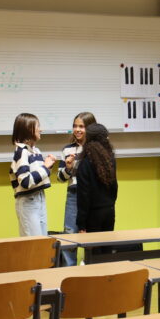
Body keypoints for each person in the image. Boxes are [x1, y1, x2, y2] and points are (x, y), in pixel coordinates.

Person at [76, 124, 125, 253]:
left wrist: (81, 224)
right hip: (109, 211)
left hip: (92, 216)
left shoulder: (85, 164)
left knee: (94, 254)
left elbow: (83, 196)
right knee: (107, 252)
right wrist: (110, 204)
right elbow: (115, 187)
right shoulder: (110, 160)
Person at [56, 111, 95, 265]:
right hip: (74, 195)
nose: (77, 130)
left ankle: (90, 267)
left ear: (90, 128)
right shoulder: (67, 150)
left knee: (91, 234)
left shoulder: (96, 148)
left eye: (81, 126)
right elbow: (60, 178)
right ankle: (69, 270)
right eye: (75, 126)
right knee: (70, 233)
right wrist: (68, 168)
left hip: (92, 196)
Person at [10, 112, 56, 236]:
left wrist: (49, 166)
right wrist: (45, 167)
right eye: (37, 126)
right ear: (28, 130)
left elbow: (40, 177)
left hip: (39, 198)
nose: (41, 130)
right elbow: (25, 181)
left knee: (42, 241)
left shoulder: (35, 151)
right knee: (34, 243)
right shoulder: (21, 152)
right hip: (28, 201)